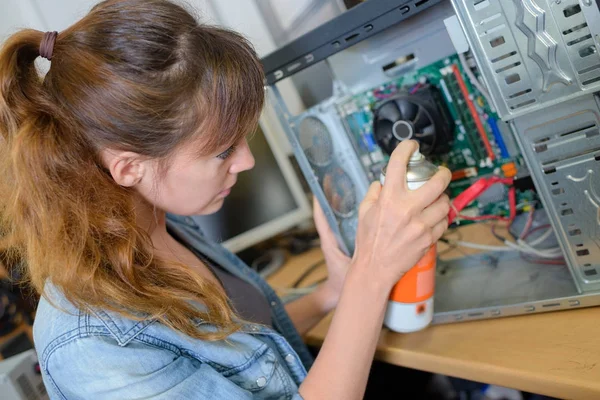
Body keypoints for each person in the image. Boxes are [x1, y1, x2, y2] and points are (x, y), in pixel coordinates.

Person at [0, 0, 451, 398]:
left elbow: (240, 359)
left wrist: (333, 293)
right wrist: (370, 275)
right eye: (222, 150)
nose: (246, 162)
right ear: (129, 167)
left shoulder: (160, 222)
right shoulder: (94, 348)